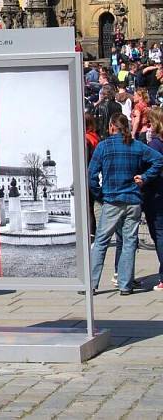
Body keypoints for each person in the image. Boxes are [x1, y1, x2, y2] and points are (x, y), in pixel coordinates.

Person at [88, 114, 163, 295]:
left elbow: (91, 176)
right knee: (129, 242)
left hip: (112, 199)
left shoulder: (104, 146)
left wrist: (100, 194)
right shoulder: (137, 145)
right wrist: (144, 178)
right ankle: (125, 285)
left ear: (112, 126)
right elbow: (158, 160)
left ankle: (91, 284)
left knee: (101, 242)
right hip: (133, 200)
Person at [144, 107, 163, 291]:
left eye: (150, 122)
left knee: (159, 234)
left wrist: (143, 178)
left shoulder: (155, 146)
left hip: (157, 195)